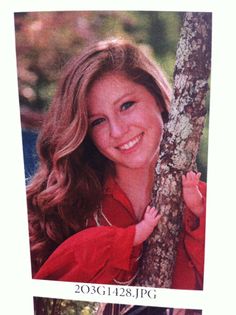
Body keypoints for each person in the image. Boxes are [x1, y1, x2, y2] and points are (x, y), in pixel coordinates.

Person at [28, 38, 206, 290]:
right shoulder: (58, 211)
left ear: (157, 97)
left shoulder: (206, 208)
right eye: (98, 121)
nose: (118, 130)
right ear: (85, 132)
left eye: (126, 105)